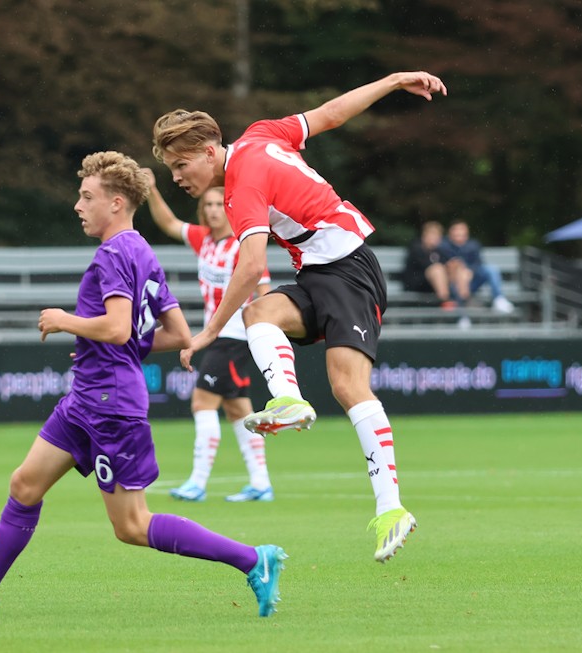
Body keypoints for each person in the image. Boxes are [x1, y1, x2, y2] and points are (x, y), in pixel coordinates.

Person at [0, 151, 287, 618]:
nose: (78, 205)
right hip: (87, 396)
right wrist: (112, 347)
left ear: (116, 203)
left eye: (86, 196)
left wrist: (66, 321)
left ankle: (255, 559)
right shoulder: (142, 252)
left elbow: (115, 328)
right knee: (25, 485)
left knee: (132, 525)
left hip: (110, 405)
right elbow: (175, 334)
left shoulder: (113, 254)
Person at [152, 71, 448, 563]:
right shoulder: (261, 134)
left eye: (182, 165)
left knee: (348, 386)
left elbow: (250, 266)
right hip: (319, 273)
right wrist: (393, 82)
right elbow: (331, 114)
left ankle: (391, 507)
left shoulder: (240, 186)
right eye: (171, 169)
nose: (178, 176)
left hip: (350, 272)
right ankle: (289, 400)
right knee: (261, 313)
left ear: (209, 150)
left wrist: (206, 331)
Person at [143, 170, 274, 503]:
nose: (214, 209)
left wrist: (261, 334)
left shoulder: (244, 246)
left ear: (229, 208)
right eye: (209, 204)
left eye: (220, 203)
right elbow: (170, 224)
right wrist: (153, 190)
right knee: (237, 410)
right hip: (218, 337)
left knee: (201, 401)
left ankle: (198, 482)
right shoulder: (205, 239)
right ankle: (261, 482)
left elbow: (264, 292)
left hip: (235, 336)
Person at [437, 219, 515, 314]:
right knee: (459, 272)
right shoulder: (443, 246)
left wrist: (470, 271)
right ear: (450, 232)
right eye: (456, 229)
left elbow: (478, 264)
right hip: (452, 283)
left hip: (472, 281)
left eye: (462, 229)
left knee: (491, 269)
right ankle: (462, 313)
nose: (459, 232)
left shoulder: (473, 245)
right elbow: (442, 266)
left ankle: (498, 298)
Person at [401, 221, 462, 309]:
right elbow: (426, 266)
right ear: (424, 235)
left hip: (434, 285)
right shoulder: (416, 248)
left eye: (437, 236)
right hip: (417, 284)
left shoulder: (439, 251)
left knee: (457, 266)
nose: (434, 238)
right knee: (437, 269)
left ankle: (460, 302)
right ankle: (446, 302)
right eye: (432, 235)